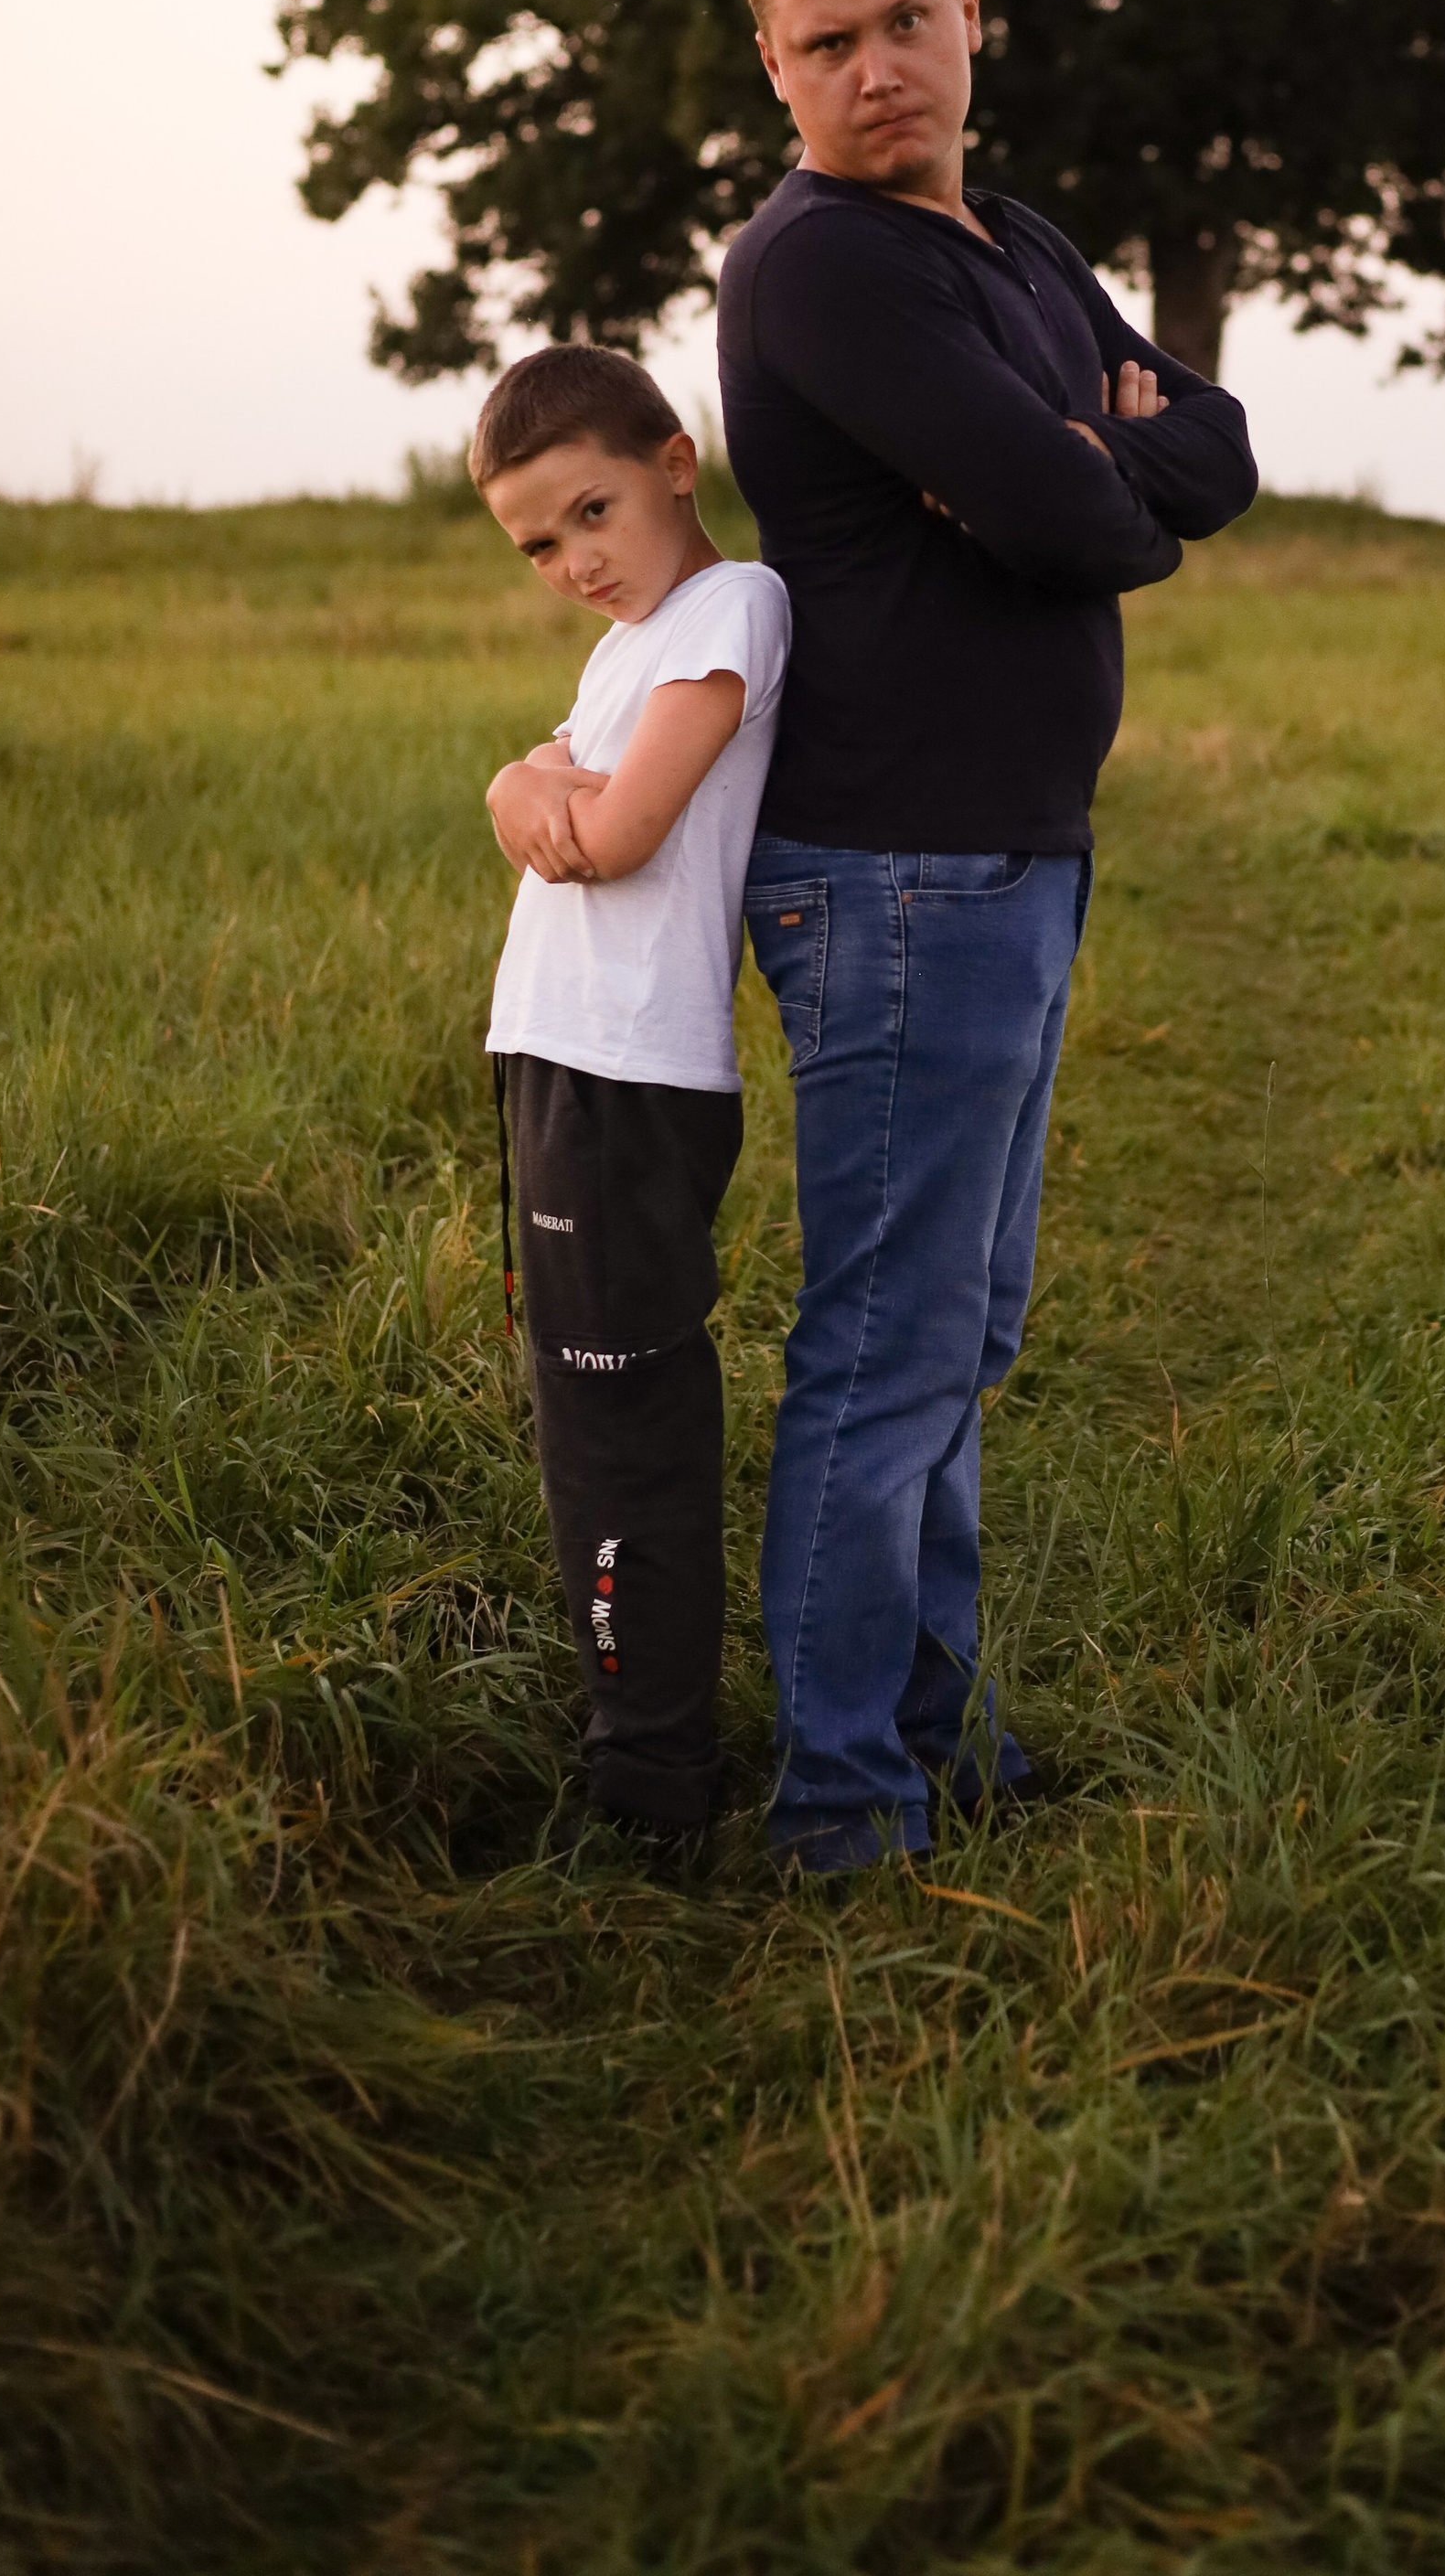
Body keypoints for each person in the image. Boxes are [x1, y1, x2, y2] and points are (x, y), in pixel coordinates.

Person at [718, 0, 1258, 1879]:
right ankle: (844, 1802)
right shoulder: (823, 269)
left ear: (972, 15)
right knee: (884, 1344)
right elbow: (1084, 517)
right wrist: (1076, 461)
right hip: (892, 876)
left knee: (959, 1334)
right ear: (773, 67)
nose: (875, 70)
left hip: (1010, 859)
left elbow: (1206, 454)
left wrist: (1084, 451)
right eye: (827, 42)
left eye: (905, 23)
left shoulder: (1013, 241)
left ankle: (937, 1744)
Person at [474, 343, 790, 1844]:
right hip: (560, 1064)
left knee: (620, 1431)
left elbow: (620, 830)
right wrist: (534, 787)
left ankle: (655, 1784)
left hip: (626, 1078)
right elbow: (565, 793)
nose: (572, 563)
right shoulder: (633, 644)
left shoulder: (732, 609)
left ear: (676, 461)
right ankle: (640, 1746)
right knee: (579, 1417)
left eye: (591, 512)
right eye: (538, 543)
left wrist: (516, 793)